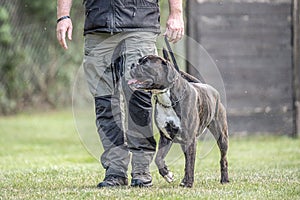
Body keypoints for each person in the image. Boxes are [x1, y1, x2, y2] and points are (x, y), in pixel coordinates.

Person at [56, 0, 184, 187]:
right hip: (98, 24)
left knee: (139, 100)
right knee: (105, 103)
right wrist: (63, 16)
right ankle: (115, 171)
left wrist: (176, 12)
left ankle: (141, 170)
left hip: (139, 21)